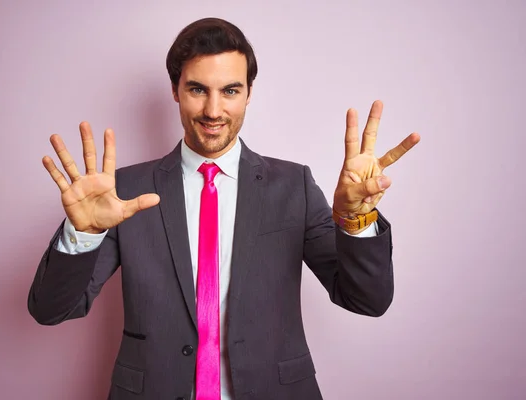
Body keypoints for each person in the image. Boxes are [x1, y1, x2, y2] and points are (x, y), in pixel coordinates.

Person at [27, 17, 420, 400]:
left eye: (230, 91)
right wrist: (83, 234)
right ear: (175, 90)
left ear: (249, 93)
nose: (213, 110)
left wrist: (356, 220)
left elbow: (367, 300)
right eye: (198, 89)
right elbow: (50, 310)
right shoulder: (125, 192)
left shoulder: (293, 187)